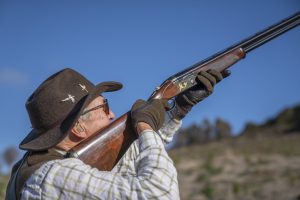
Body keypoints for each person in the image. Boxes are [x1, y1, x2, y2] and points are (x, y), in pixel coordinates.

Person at [6, 68, 229, 199]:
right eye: (104, 107)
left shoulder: (51, 160)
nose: (112, 114)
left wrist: (178, 110)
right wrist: (145, 126)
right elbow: (159, 193)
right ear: (78, 127)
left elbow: (134, 160)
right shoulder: (51, 176)